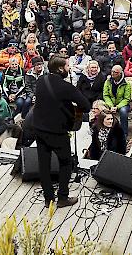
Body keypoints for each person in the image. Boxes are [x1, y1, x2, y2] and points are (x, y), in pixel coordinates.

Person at [30, 55, 90, 207]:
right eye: (68, 67)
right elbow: (86, 106)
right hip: (56, 132)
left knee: (44, 164)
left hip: (39, 128)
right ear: (60, 69)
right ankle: (62, 197)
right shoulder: (66, 87)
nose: (69, 69)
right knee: (65, 162)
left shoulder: (41, 81)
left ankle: (48, 199)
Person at [102, 65, 132, 136]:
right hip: (110, 103)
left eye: (115, 72)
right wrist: (111, 106)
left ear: (120, 74)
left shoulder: (126, 83)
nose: (112, 73)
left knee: (123, 111)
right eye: (112, 71)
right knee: (102, 109)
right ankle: (105, 131)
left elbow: (126, 99)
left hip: (122, 104)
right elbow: (106, 95)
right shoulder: (108, 81)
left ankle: (124, 133)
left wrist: (117, 107)